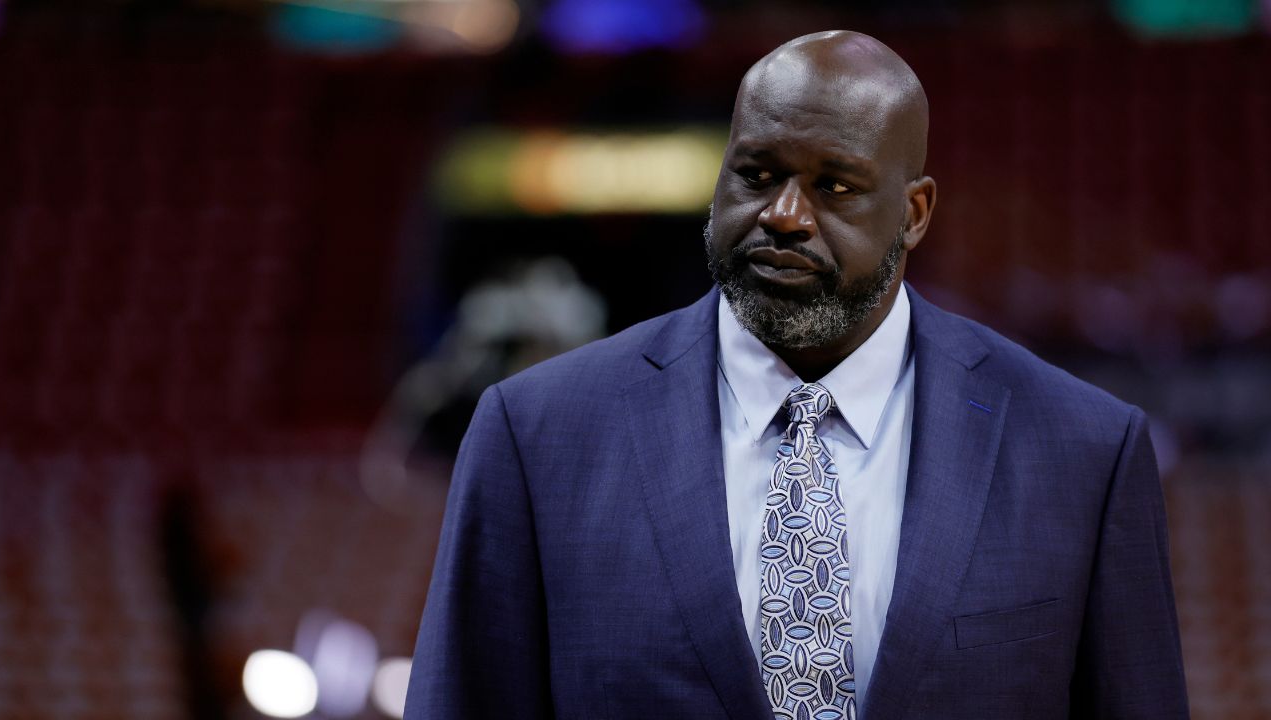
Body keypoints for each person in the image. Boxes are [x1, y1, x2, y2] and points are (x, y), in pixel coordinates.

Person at [405, 30, 1188, 720]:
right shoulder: (538, 432)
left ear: (914, 212)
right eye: (755, 173)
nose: (784, 213)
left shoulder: (1083, 451)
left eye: (834, 186)